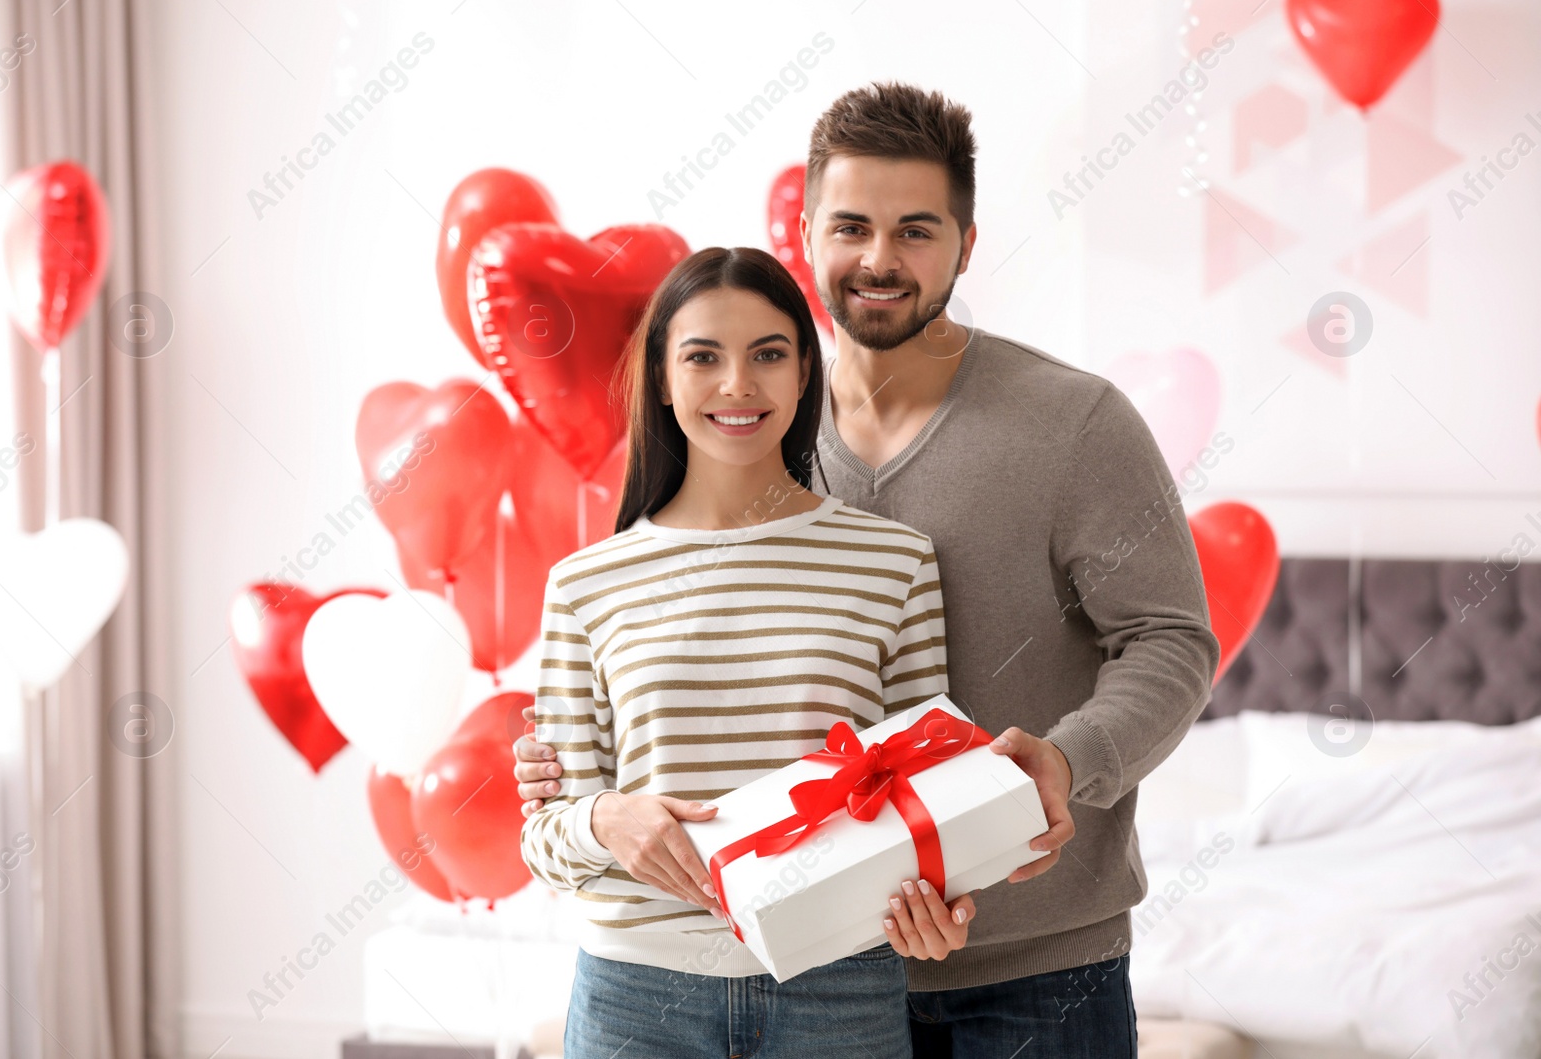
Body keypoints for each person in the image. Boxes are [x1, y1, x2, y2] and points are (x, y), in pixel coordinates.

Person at [515, 81, 1222, 1058]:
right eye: (850, 225)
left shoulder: (1075, 424)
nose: (879, 259)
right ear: (805, 231)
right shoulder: (751, 437)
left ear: (965, 244)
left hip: (1030, 966)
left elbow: (1172, 639)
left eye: (916, 230)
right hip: (819, 967)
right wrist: (576, 782)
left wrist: (1065, 759)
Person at [518, 244, 975, 1059]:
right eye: (703, 356)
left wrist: (940, 905)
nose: (737, 384)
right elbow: (547, 836)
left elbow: (928, 790)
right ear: (663, 377)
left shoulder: (894, 560)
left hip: (840, 985)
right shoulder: (584, 584)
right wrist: (605, 815)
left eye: (768, 354)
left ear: (806, 373)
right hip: (636, 993)